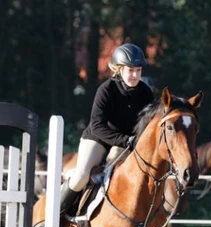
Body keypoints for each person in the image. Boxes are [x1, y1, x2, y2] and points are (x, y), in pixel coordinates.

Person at [59, 43, 154, 217]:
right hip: (99, 138)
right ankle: (54, 217)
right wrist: (126, 140)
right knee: (81, 176)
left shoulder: (146, 93)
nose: (135, 75)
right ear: (119, 69)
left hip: (127, 143)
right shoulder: (106, 90)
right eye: (130, 70)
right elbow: (97, 126)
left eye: (138, 71)